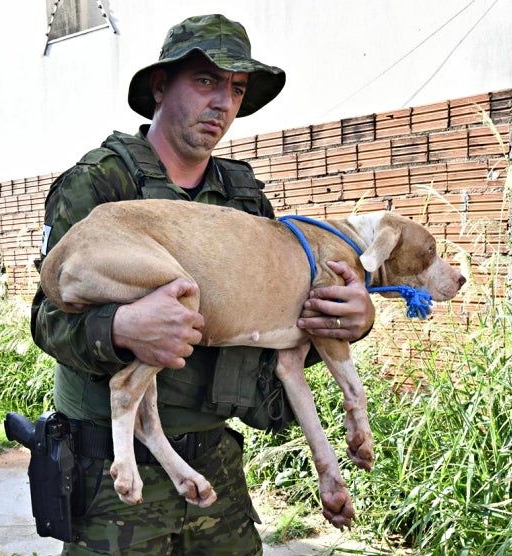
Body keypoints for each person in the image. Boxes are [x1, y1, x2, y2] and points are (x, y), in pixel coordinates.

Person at [31, 13, 376, 555]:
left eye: (236, 89)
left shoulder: (243, 198)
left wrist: (351, 319)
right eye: (206, 81)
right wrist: (122, 328)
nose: (223, 103)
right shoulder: (99, 182)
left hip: (216, 464)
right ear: (160, 86)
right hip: (111, 480)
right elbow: (48, 318)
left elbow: (272, 326)